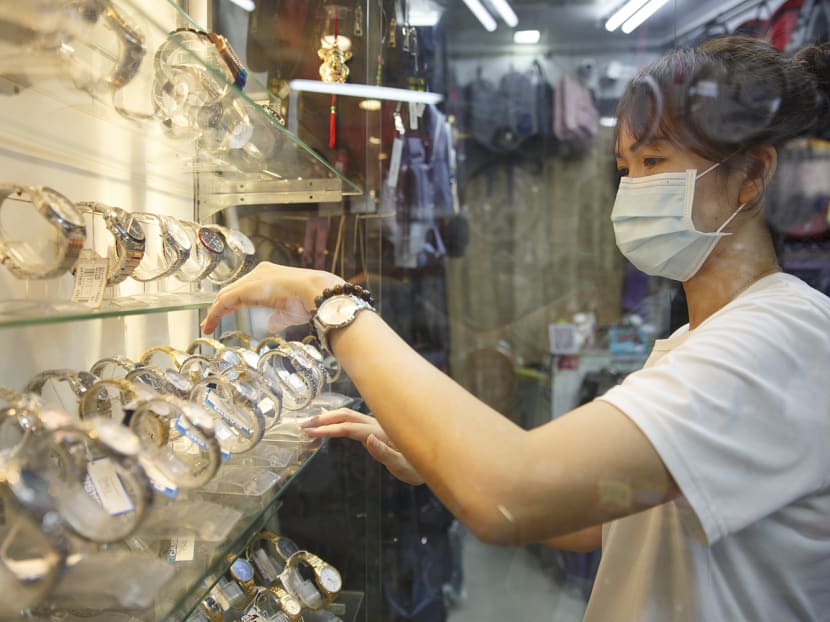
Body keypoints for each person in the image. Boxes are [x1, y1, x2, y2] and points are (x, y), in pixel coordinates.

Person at [202, 36, 830, 620]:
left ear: (751, 175)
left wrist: (329, 298)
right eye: (626, 168)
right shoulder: (701, 341)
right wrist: (434, 459)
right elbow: (600, 516)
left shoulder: (780, 340)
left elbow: (517, 491)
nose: (633, 190)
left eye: (655, 161)